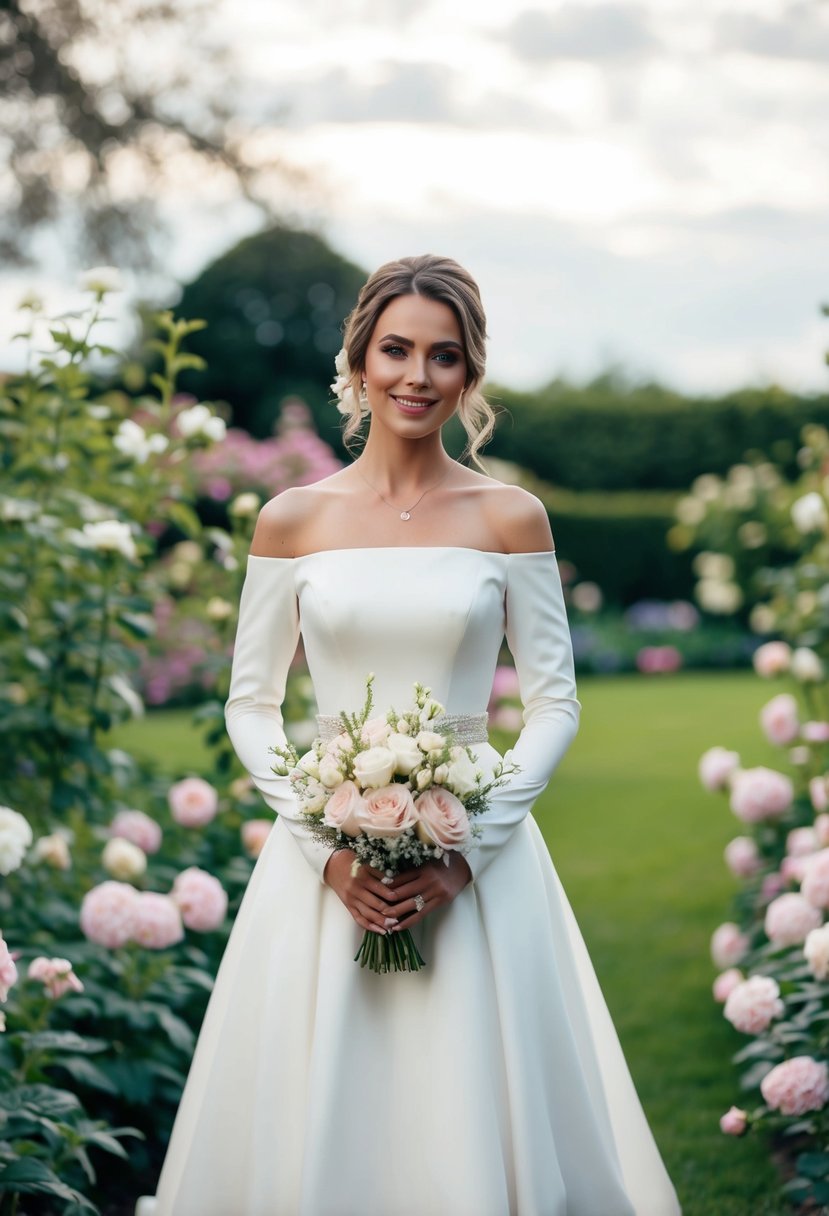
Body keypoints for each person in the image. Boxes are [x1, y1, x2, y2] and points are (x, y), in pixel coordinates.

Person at [137, 254, 681, 1215]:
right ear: (356, 361)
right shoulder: (292, 519)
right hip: (324, 857)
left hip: (477, 859)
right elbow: (250, 702)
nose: (416, 377)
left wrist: (471, 850)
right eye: (395, 350)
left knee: (478, 1092)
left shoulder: (510, 517)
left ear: (470, 374)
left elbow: (555, 702)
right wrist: (324, 852)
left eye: (443, 356)